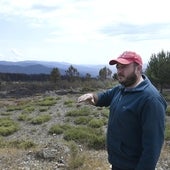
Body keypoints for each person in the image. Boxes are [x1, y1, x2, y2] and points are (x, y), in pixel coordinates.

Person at [78, 51, 167, 170]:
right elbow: (105, 96)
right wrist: (93, 96)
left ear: (138, 69)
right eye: (118, 67)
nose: (119, 71)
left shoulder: (151, 100)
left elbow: (152, 148)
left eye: (124, 67)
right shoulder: (122, 88)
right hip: (118, 163)